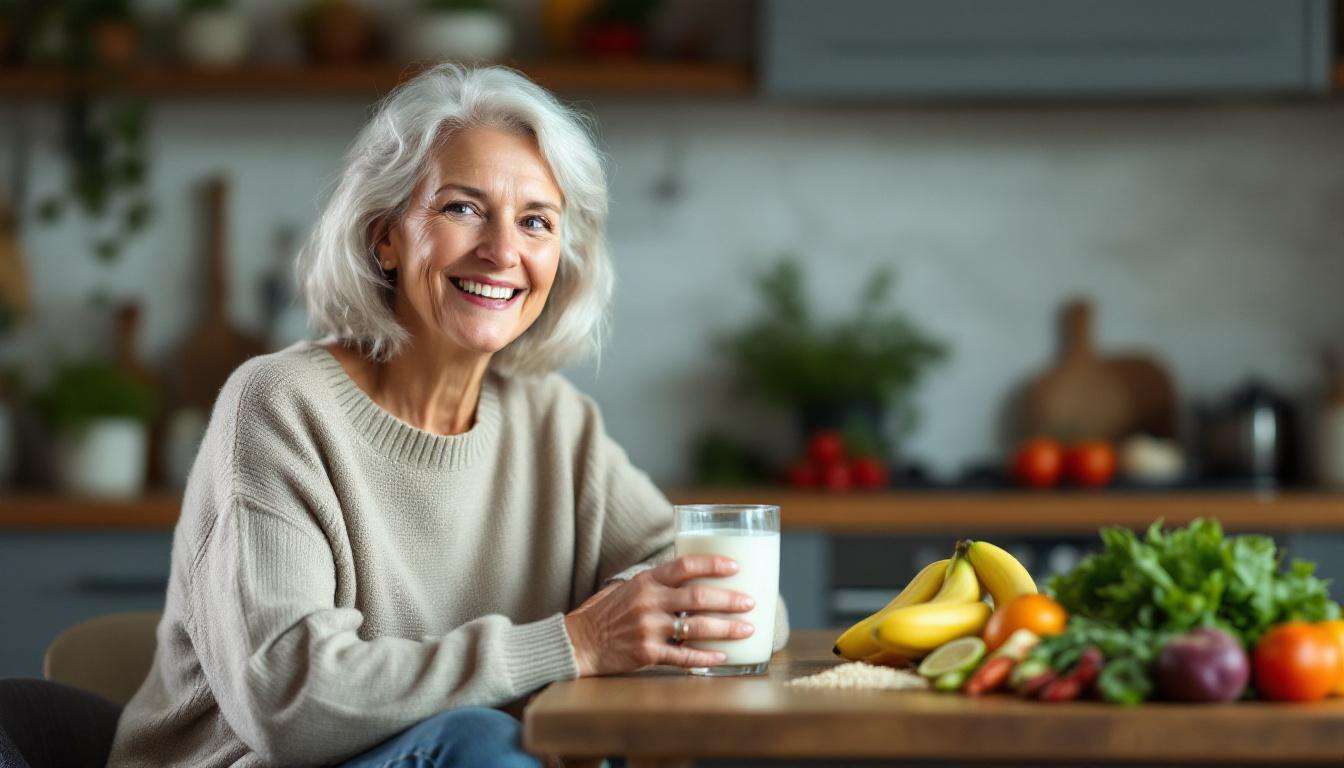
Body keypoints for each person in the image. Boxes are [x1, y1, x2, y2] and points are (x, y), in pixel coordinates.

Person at [107, 64, 788, 768]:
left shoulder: (555, 422)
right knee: (480, 743)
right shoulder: (280, 405)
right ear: (385, 237)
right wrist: (576, 644)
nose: (502, 252)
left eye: (535, 222)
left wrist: (638, 614)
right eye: (462, 208)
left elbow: (750, 610)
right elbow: (290, 703)